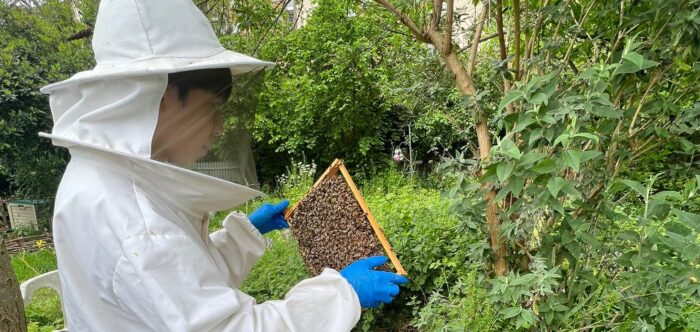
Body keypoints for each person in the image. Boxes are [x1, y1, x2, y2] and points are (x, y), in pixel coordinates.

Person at [39, 0, 407, 331]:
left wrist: (245, 234)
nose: (217, 128)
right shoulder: (134, 221)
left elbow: (177, 284)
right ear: (163, 99)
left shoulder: (96, 177)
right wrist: (342, 294)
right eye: (210, 108)